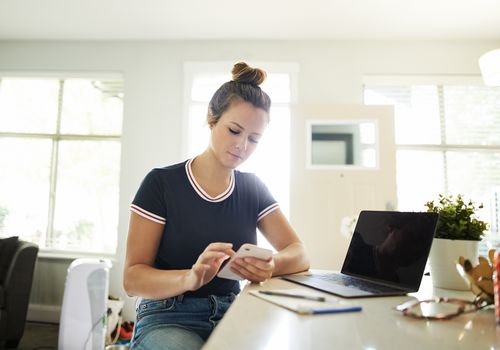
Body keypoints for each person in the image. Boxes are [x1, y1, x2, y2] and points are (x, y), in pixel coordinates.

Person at [123, 62, 310, 350]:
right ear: (212, 119)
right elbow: (133, 278)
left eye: (254, 139)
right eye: (234, 130)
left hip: (233, 311)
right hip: (168, 315)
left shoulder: (252, 188)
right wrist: (191, 277)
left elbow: (299, 254)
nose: (242, 145)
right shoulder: (161, 183)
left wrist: (270, 265)